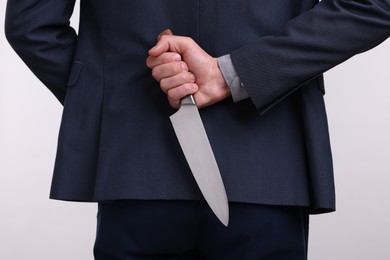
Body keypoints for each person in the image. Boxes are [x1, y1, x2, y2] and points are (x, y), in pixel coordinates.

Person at [5, 0, 390, 259]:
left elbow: (30, 25)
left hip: (134, 169)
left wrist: (121, 111)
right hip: (269, 162)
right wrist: (237, 75)